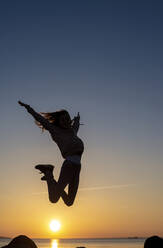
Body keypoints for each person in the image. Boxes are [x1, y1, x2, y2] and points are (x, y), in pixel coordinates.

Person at [18, 101, 84, 206]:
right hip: (69, 165)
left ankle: (51, 179)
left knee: (69, 202)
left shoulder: (72, 131)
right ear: (59, 122)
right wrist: (28, 108)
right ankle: (48, 173)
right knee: (54, 199)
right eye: (63, 119)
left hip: (77, 167)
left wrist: (77, 120)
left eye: (67, 118)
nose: (66, 120)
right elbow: (41, 120)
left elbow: (76, 127)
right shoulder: (55, 131)